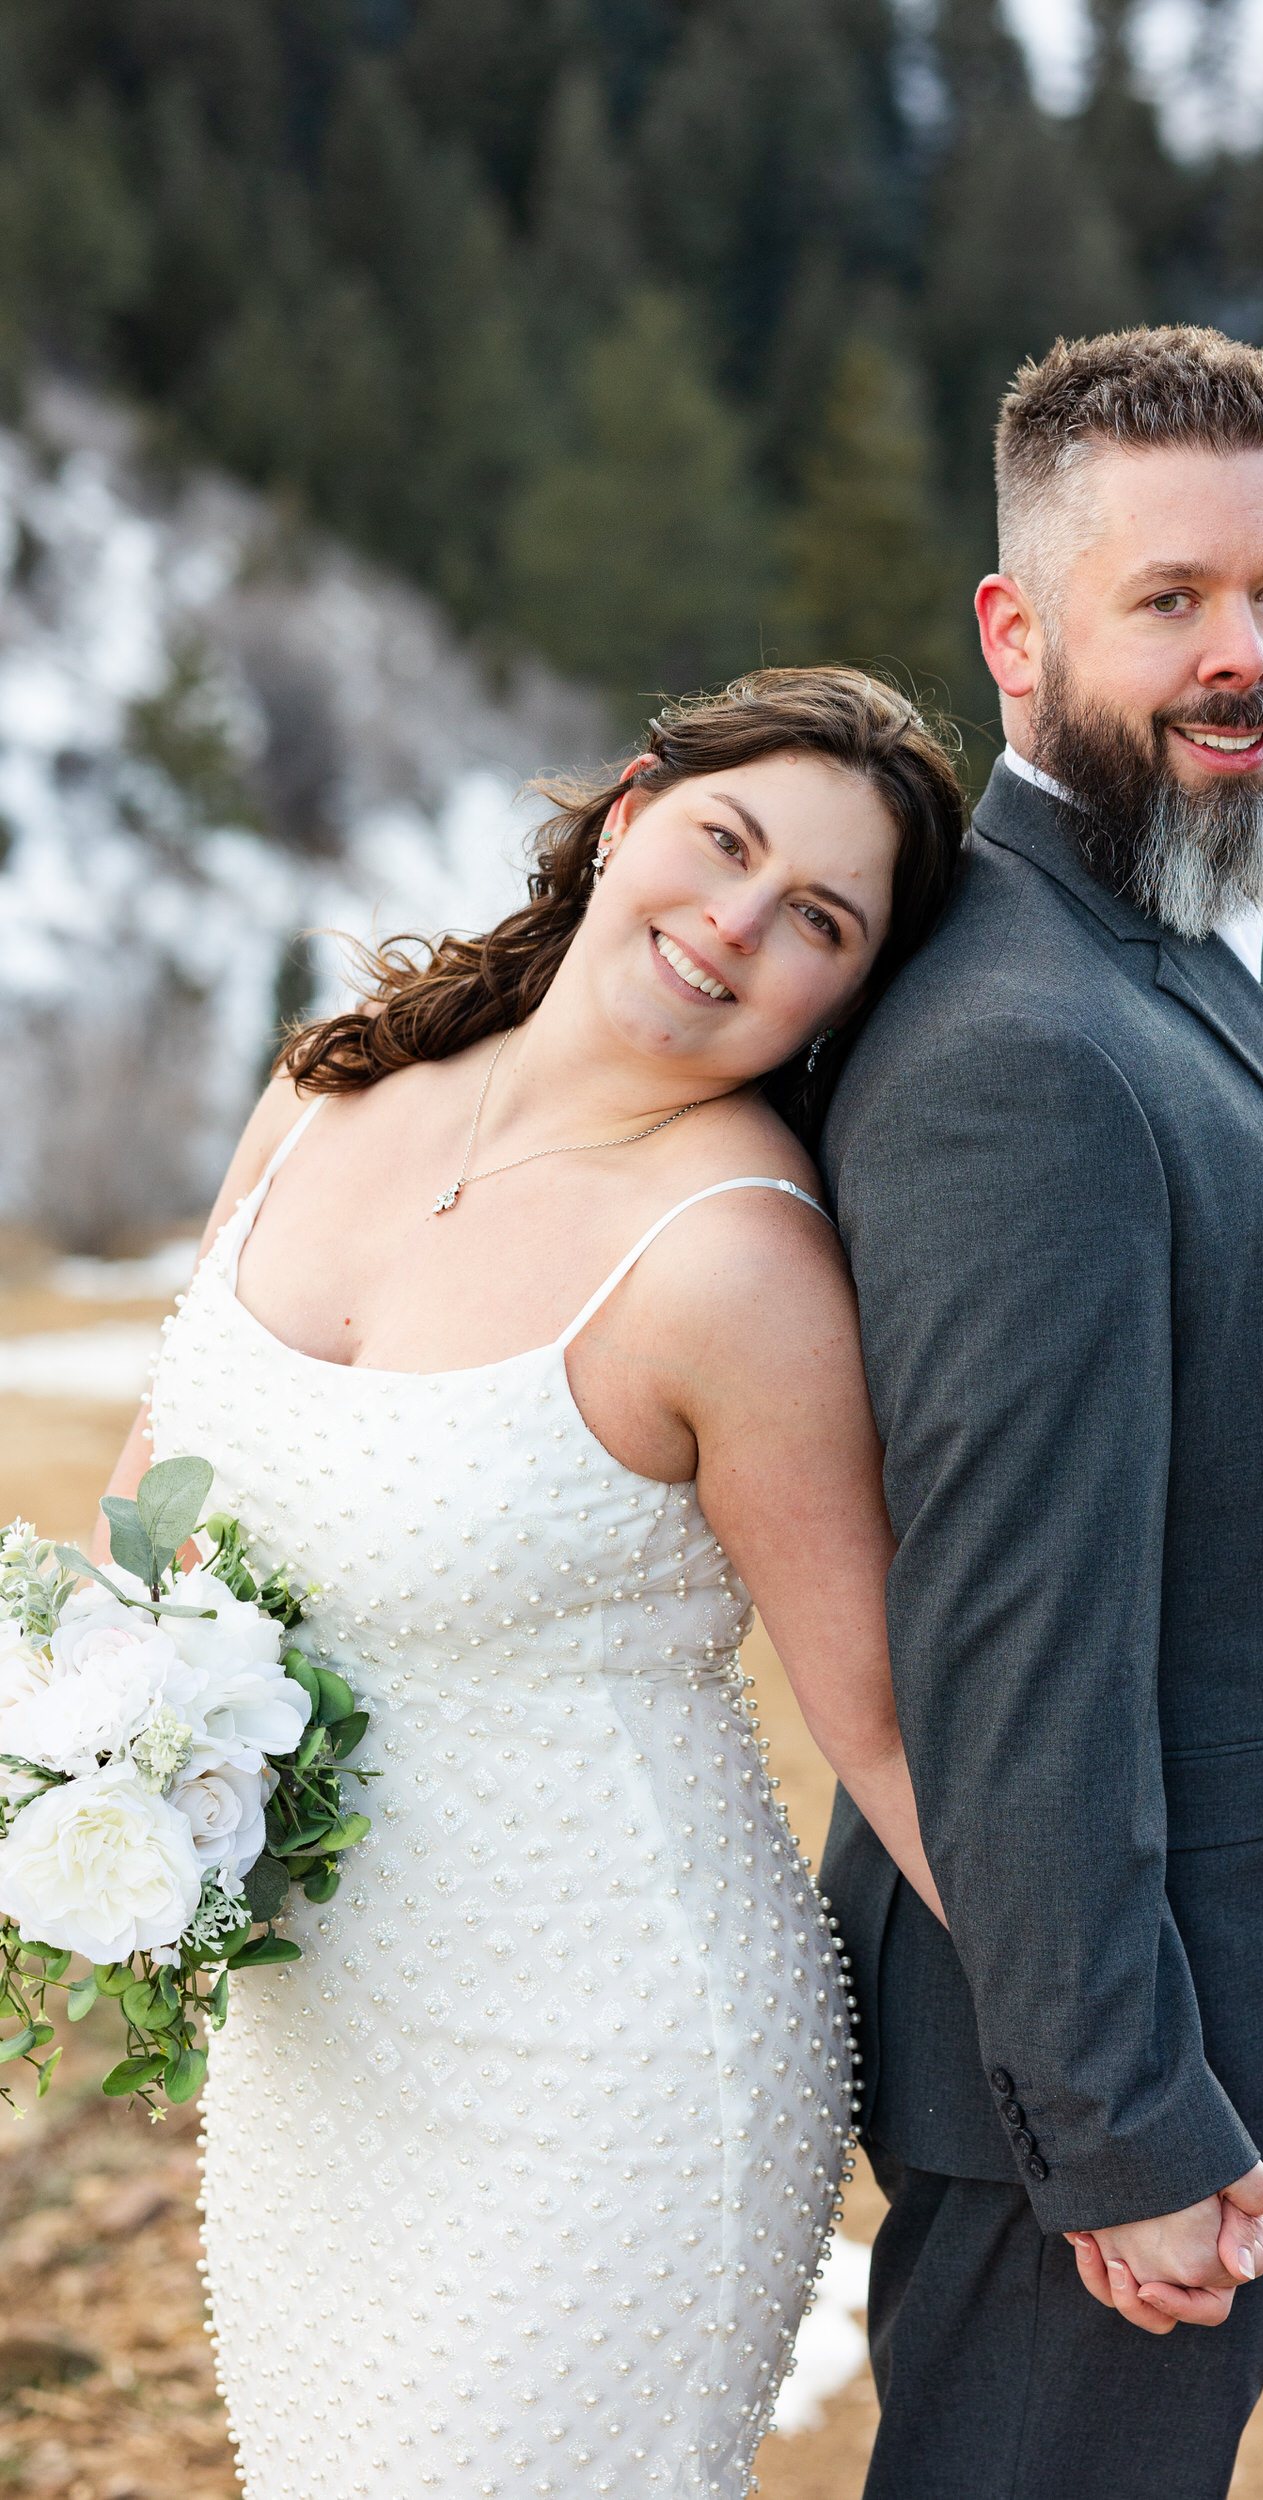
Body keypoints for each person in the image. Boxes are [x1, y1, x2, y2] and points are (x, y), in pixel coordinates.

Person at [96, 668, 966, 2500]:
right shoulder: (327, 1090)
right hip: (315, 2057)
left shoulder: (736, 1265)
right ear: (631, 810)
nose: (737, 921)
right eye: (724, 841)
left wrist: (1126, 2103)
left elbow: (890, 1732)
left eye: (819, 919)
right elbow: (147, 1526)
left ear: (849, 992)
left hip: (608, 2075)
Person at [821, 326, 1263, 2498]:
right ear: (1017, 635)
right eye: (1170, 597)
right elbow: (1008, 1649)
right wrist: (1120, 2120)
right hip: (1096, 2058)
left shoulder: (1214, 901)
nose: (1243, 655)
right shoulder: (1019, 1043)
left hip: (1232, 1998)